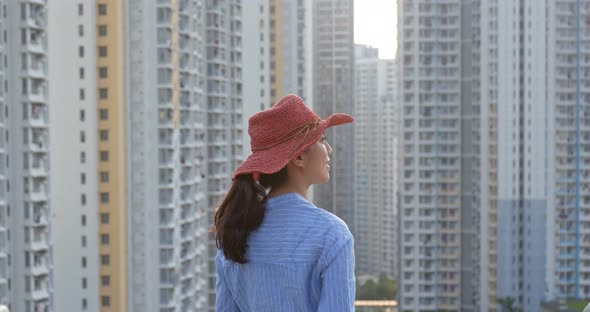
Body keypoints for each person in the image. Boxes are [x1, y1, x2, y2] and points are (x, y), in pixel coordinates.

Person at [214, 94, 356, 311]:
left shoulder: (235, 234)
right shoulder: (332, 235)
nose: (329, 150)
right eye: (322, 139)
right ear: (299, 157)